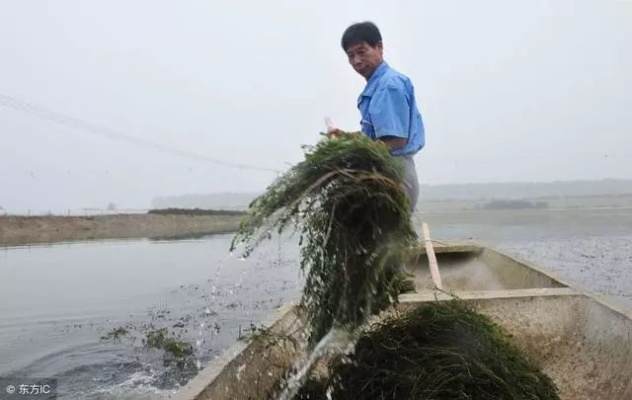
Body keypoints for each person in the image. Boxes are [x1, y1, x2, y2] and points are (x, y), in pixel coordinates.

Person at [330, 21, 425, 217]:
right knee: (381, 242)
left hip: (395, 175)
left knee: (391, 241)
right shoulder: (377, 86)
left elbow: (396, 140)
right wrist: (348, 137)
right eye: (351, 56)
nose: (356, 61)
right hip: (385, 172)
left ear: (379, 47)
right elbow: (377, 136)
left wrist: (355, 153)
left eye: (362, 51)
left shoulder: (388, 86)